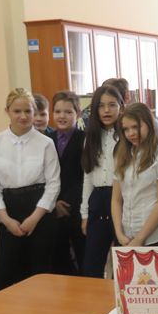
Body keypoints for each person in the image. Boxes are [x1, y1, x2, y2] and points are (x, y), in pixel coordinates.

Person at [0, 88, 60, 293]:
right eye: (17, 111)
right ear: (7, 111)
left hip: (40, 211)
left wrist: (34, 218)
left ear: (35, 112)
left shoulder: (45, 143)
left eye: (28, 111)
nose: (23, 116)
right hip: (9, 211)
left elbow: (53, 184)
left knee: (40, 275)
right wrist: (6, 220)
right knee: (4, 277)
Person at [111, 103, 158, 248]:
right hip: (126, 236)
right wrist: (119, 234)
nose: (131, 133)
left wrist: (139, 239)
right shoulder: (121, 156)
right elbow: (116, 199)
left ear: (149, 125)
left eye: (136, 127)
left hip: (155, 237)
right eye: (126, 129)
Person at [80, 85, 125, 278]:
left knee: (123, 264)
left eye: (112, 105)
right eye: (101, 106)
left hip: (122, 199)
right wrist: (84, 214)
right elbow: (88, 178)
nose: (107, 110)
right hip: (97, 201)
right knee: (91, 266)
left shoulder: (127, 136)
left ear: (121, 107)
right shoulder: (90, 138)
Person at [49, 90, 86, 276]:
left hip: (78, 207)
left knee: (83, 256)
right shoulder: (46, 140)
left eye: (68, 112)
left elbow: (86, 175)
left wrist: (68, 202)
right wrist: (54, 202)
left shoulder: (85, 139)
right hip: (53, 207)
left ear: (77, 114)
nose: (62, 116)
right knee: (60, 261)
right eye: (58, 111)